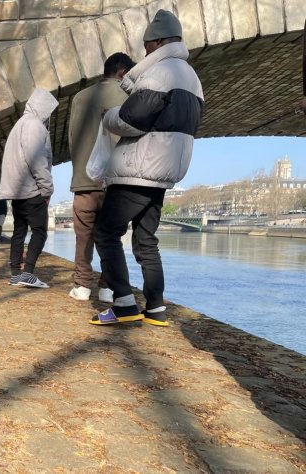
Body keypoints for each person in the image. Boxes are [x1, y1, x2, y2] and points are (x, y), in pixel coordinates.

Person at [91, 9, 204, 326]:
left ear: (156, 43)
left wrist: (109, 115)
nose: (144, 52)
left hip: (138, 168)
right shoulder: (192, 80)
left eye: (146, 46)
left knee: (106, 232)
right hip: (163, 173)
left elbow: (131, 119)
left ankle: (124, 304)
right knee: (145, 241)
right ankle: (155, 307)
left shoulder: (161, 73)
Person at [67, 53, 135, 303]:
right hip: (116, 183)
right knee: (111, 238)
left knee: (83, 236)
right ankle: (107, 287)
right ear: (122, 73)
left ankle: (82, 285)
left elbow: (73, 138)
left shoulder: (79, 98)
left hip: (84, 181)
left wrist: (79, 169)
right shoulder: (130, 97)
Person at [0, 88, 57, 288]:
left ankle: (15, 273)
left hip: (16, 190)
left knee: (19, 231)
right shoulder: (34, 125)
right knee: (40, 231)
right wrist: (47, 189)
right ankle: (28, 273)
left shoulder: (19, 125)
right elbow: (37, 160)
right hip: (31, 189)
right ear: (43, 107)